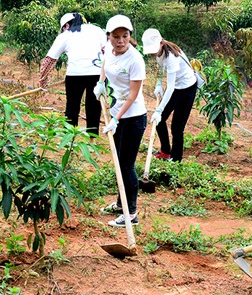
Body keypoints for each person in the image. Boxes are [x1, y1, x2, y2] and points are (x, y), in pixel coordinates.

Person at [95, 14, 148, 227]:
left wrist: (116, 119)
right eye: (116, 36)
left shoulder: (136, 60)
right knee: (118, 161)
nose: (121, 41)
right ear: (109, 37)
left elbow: (134, 95)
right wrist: (100, 82)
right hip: (117, 112)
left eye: (125, 36)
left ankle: (131, 214)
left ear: (129, 36)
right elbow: (105, 63)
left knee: (126, 165)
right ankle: (120, 203)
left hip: (133, 117)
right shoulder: (108, 49)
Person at [38, 12, 106, 135]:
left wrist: (43, 81)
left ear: (66, 25)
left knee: (72, 107)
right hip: (97, 74)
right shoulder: (97, 30)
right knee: (94, 107)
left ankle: (69, 139)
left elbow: (49, 60)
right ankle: (92, 141)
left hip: (74, 75)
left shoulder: (65, 35)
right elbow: (107, 52)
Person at [140, 28, 198, 163]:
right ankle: (166, 151)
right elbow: (162, 68)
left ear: (161, 43)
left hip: (187, 89)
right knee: (159, 121)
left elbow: (170, 87)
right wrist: (159, 83)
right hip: (176, 88)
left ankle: (176, 160)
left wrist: (159, 109)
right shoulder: (160, 53)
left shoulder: (171, 57)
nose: (153, 53)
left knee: (177, 127)